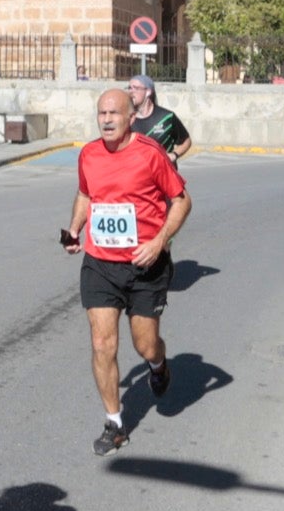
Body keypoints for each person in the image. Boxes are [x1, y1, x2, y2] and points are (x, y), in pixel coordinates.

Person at [66, 88, 190, 456]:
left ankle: (158, 364)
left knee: (144, 343)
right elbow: (86, 195)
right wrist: (74, 229)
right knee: (102, 343)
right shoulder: (88, 154)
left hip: (145, 265)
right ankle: (115, 423)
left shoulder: (150, 154)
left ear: (131, 117)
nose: (106, 120)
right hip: (101, 264)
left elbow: (182, 200)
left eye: (114, 113)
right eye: (101, 113)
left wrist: (160, 241)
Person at [126, 74, 192, 164]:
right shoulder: (126, 119)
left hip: (163, 174)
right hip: (138, 175)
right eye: (129, 88)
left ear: (148, 92)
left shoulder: (166, 117)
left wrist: (174, 155)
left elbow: (186, 141)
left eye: (135, 88)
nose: (131, 91)